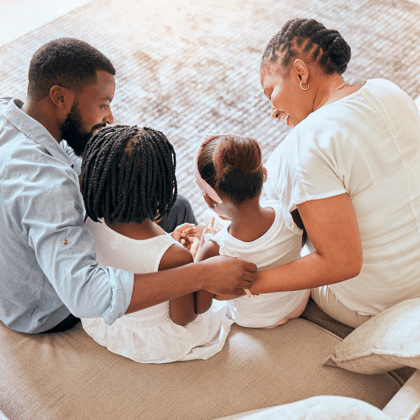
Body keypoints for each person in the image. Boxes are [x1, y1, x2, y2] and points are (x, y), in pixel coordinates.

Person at [0, 37, 256, 334]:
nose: (110, 117)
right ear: (59, 97)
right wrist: (202, 273)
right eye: (102, 105)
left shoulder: (11, 114)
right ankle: (186, 268)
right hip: (45, 308)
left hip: (14, 281)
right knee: (180, 207)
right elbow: (85, 295)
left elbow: (72, 158)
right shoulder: (49, 187)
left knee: (158, 199)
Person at [253, 18, 420, 328]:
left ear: (301, 73)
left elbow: (342, 263)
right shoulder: (388, 89)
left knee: (278, 213)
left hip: (379, 300)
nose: (272, 112)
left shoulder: (306, 143)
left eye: (271, 92)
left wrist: (252, 284)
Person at [80, 125, 233, 363]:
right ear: (162, 190)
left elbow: (134, 256)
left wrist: (168, 245)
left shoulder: (88, 223)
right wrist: (196, 256)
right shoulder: (174, 257)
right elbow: (184, 318)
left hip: (109, 321)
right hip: (156, 338)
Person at [194, 134, 309, 328]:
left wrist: (198, 249)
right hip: (297, 304)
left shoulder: (214, 250)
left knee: (206, 227)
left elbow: (200, 305)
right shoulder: (291, 215)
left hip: (253, 319)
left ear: (210, 200)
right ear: (263, 175)